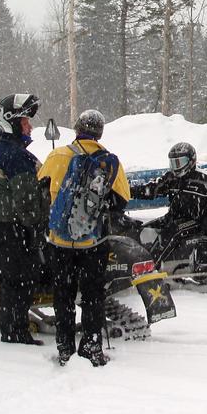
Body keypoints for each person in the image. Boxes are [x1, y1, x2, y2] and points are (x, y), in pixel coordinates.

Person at [38, 109, 130, 367]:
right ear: (100, 132)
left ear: (77, 129)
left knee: (63, 296)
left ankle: (65, 347)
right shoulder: (109, 162)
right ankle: (91, 347)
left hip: (59, 242)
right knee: (93, 296)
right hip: (93, 242)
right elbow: (121, 200)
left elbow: (41, 191)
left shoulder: (57, 155)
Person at [0, 93, 49, 345]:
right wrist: (38, 225)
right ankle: (15, 331)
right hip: (15, 225)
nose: (30, 128)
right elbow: (27, 201)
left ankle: (11, 323)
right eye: (26, 122)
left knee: (10, 275)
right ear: (11, 123)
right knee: (22, 278)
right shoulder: (18, 157)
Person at [130, 142, 207, 253]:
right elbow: (153, 188)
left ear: (191, 161)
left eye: (179, 162)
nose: (176, 167)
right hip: (173, 218)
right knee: (145, 229)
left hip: (195, 220)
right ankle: (139, 258)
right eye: (173, 163)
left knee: (169, 233)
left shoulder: (204, 178)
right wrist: (129, 191)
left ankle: (155, 264)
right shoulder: (172, 178)